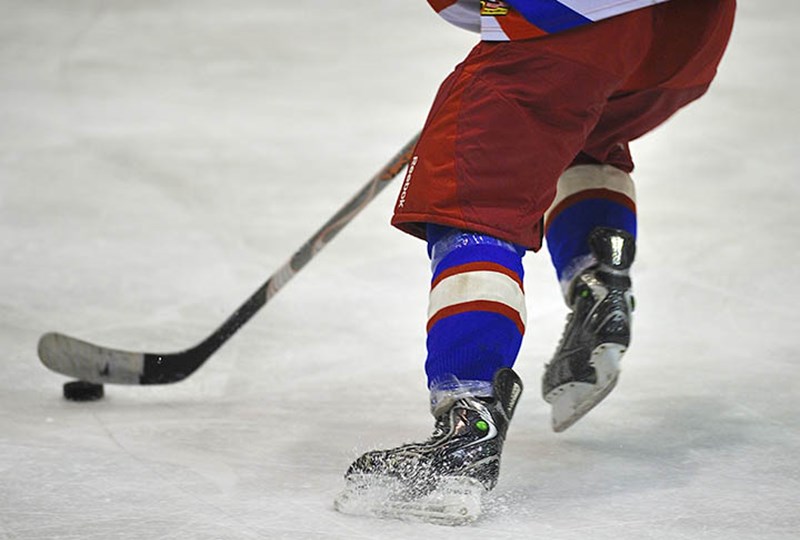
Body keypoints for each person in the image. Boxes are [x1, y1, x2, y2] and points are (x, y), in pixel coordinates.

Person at [335, 0, 736, 523]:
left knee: (476, 191)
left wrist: (503, 23)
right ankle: (600, 288)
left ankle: (467, 426)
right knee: (575, 131)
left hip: (576, 23)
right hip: (686, 41)